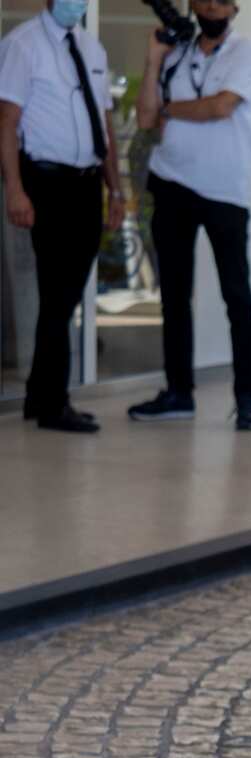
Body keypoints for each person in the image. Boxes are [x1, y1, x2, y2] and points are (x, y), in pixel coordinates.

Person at [128, 0, 251, 431]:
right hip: (171, 183)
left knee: (236, 296)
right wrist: (153, 61)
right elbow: (146, 114)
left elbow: (220, 107)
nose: (210, 7)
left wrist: (172, 109)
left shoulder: (247, 53)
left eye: (220, 1)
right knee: (173, 295)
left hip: (224, 192)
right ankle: (178, 393)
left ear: (234, 8)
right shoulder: (177, 54)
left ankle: (247, 399)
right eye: (203, 0)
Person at [0, 0, 123, 434]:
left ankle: (39, 394)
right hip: (46, 181)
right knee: (58, 293)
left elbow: (104, 123)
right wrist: (14, 189)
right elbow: (6, 122)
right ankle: (55, 403)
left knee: (64, 293)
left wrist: (116, 187)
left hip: (87, 182)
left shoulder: (92, 49)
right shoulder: (21, 45)